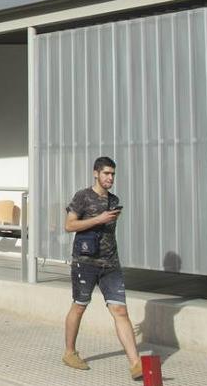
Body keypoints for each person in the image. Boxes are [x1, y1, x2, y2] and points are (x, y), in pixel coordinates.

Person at [61, 156, 142, 380]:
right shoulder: (82, 196)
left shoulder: (114, 200)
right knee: (79, 307)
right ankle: (69, 352)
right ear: (96, 173)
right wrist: (99, 219)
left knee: (120, 310)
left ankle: (136, 364)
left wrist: (107, 217)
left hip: (111, 264)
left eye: (113, 174)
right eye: (106, 173)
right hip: (85, 263)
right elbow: (69, 225)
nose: (110, 178)